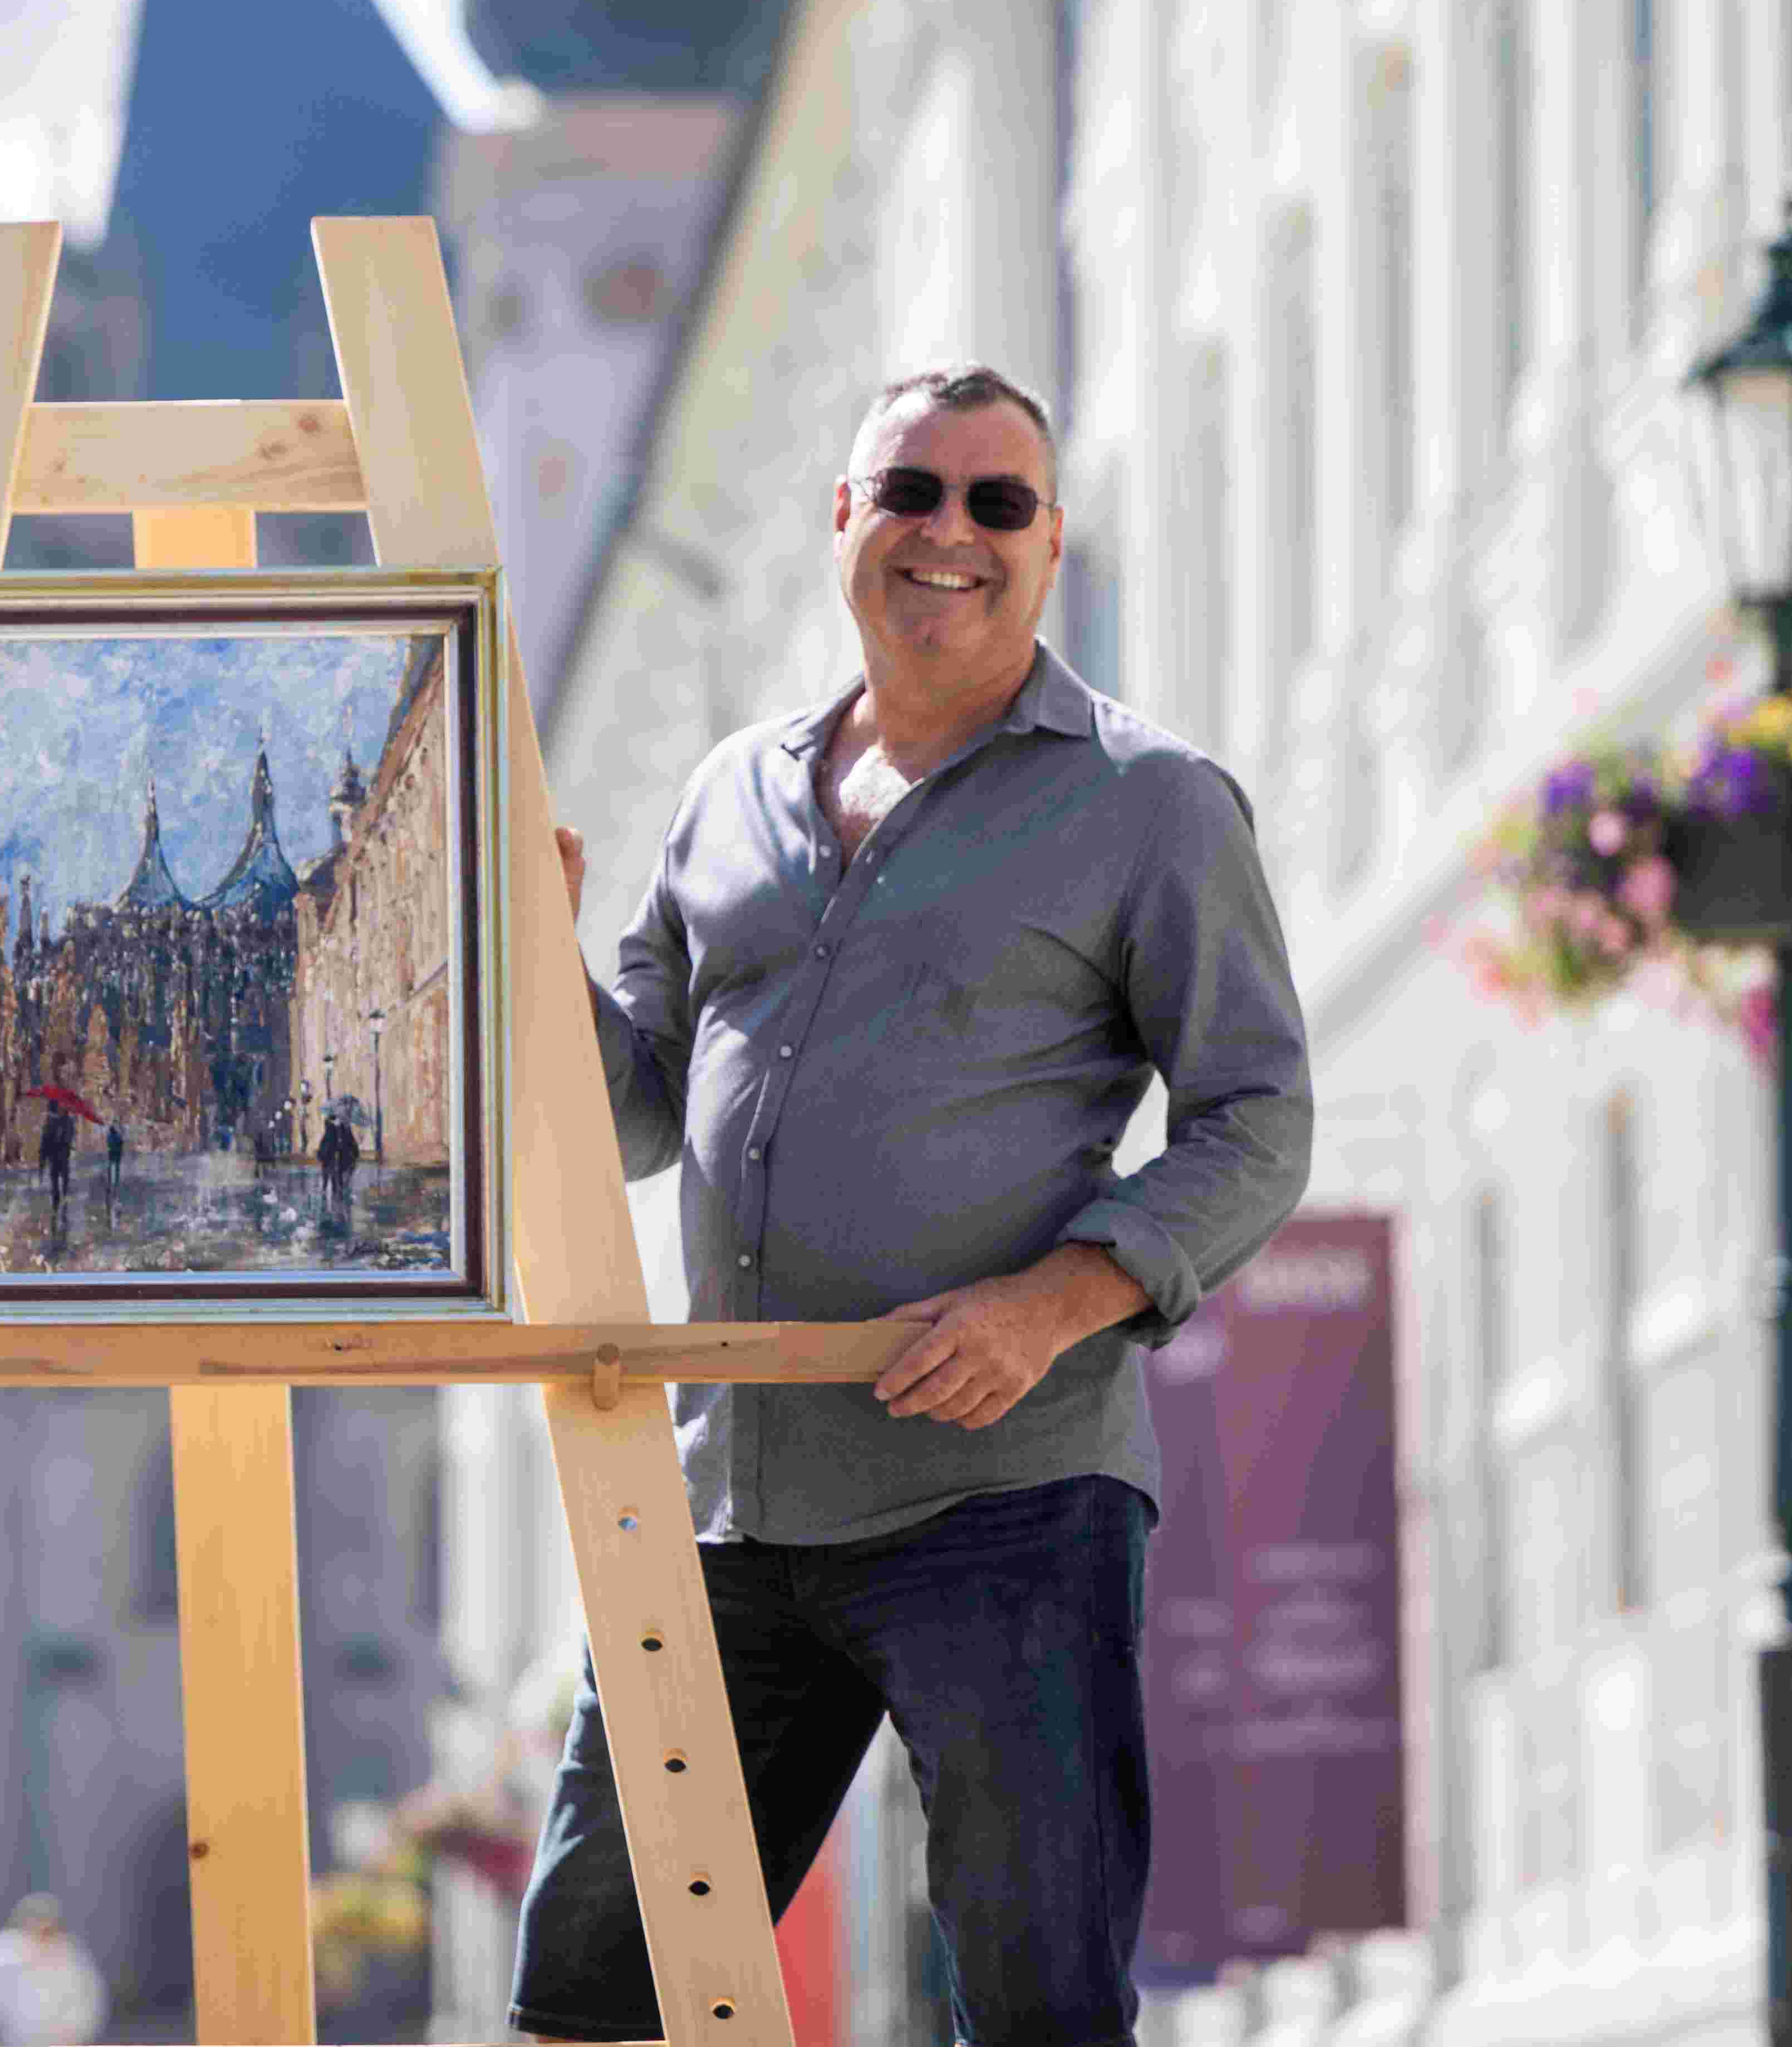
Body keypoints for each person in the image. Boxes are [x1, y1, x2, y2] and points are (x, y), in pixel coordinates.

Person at [515, 365, 1310, 2047]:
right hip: (730, 1502)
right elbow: (636, 1113)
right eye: (910, 492)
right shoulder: (727, 794)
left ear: (1048, 544)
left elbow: (1256, 1119)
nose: (949, 529)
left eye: (996, 502)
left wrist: (1054, 1304)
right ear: (842, 521)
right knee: (592, 1996)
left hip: (1003, 1500)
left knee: (1034, 2008)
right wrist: (533, 958)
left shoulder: (1147, 801)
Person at [0, 1895, 106, 2047]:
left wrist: (77, 2032)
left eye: (48, 1924)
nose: (42, 1927)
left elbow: (89, 1998)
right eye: (37, 1920)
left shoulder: (72, 1955)